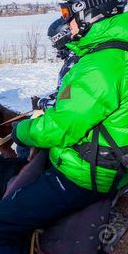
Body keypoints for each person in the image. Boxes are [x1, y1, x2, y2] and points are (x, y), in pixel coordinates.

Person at [0, 0, 128, 254]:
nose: (66, 20)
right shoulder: (122, 49)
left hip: (84, 174)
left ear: (90, 12)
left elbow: (61, 127)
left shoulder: (101, 65)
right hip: (109, 161)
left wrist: (20, 132)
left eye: (67, 12)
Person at [16, 18, 79, 158]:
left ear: (62, 38)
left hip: (67, 125)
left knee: (24, 148)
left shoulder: (74, 63)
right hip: (67, 119)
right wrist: (42, 100)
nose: (54, 46)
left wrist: (40, 103)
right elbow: (63, 92)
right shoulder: (72, 59)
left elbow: (64, 101)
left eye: (54, 41)